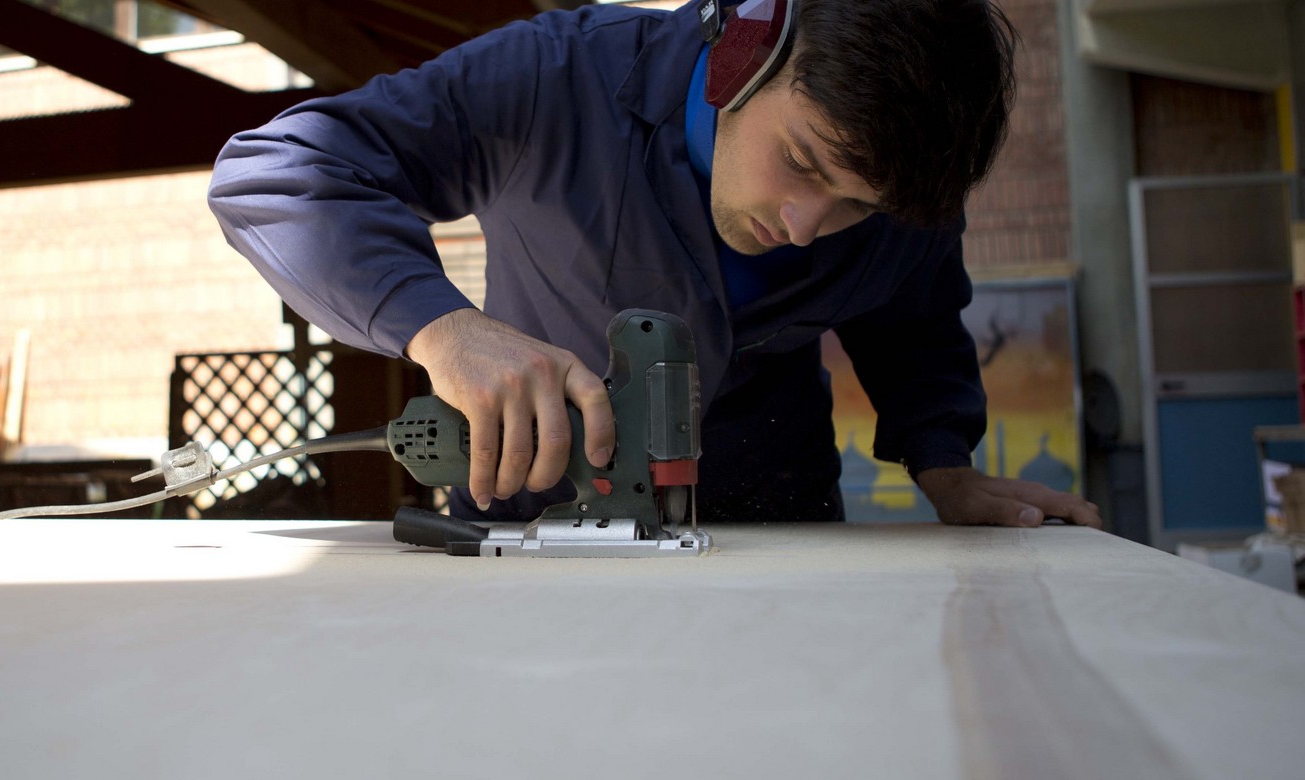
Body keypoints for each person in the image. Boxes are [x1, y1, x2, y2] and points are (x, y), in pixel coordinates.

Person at [207, 0, 1102, 528]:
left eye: (857, 207)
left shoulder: (901, 193)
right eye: (802, 163)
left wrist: (945, 463)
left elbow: (913, 316)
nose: (806, 225)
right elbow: (280, 171)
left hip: (780, 537)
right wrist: (440, 329)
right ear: (741, 53)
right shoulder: (552, 79)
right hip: (536, 536)